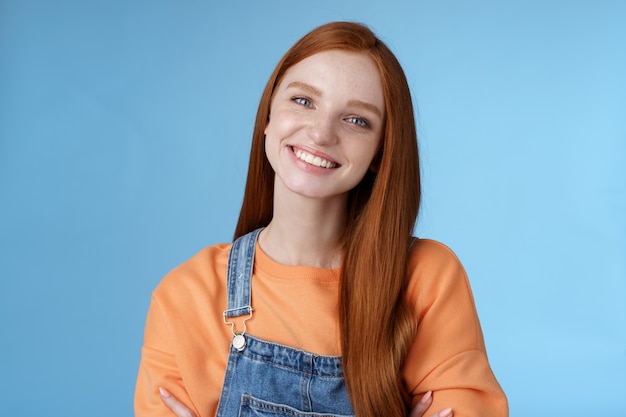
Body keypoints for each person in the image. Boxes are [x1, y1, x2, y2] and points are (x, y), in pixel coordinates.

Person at [134, 21, 508, 417]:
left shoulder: (426, 279)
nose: (321, 133)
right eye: (303, 101)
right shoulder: (184, 297)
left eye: (357, 120)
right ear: (269, 116)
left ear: (381, 153)